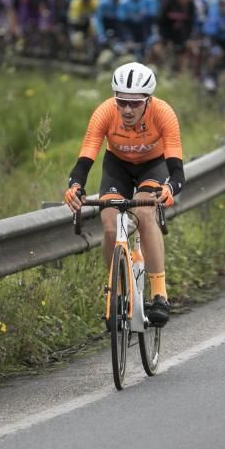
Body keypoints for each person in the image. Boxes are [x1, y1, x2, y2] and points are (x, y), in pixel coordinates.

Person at [63, 62, 184, 327]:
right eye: (122, 102)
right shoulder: (105, 112)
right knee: (108, 225)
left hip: (153, 166)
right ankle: (116, 293)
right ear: (114, 99)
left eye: (135, 103)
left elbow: (176, 169)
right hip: (117, 167)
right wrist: (75, 186)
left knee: (143, 213)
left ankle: (160, 294)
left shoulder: (163, 113)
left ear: (148, 101)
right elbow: (85, 158)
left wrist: (170, 189)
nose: (127, 109)